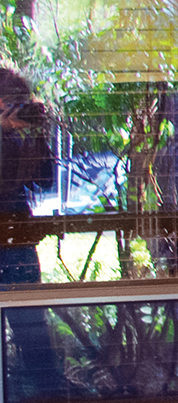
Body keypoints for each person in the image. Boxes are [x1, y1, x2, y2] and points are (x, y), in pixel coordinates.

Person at [0, 67, 65, 399]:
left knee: (31, 330)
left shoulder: (17, 136)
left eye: (22, 103)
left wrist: (38, 135)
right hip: (11, 241)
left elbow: (43, 181)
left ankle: (45, 393)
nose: (18, 110)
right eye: (11, 103)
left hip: (17, 240)